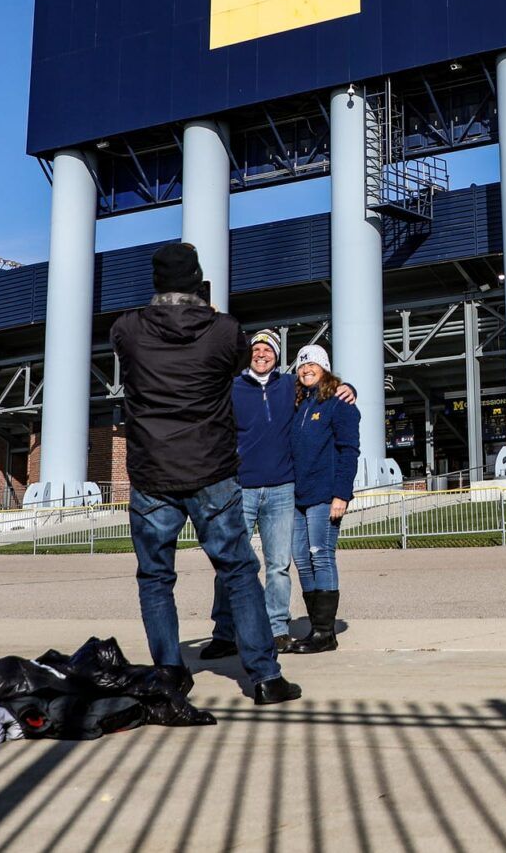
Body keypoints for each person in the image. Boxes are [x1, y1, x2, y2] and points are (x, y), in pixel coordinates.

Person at [111, 241, 301, 706]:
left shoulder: (127, 330)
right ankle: (265, 677)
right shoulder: (223, 331)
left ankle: (170, 674)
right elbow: (232, 360)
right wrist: (208, 312)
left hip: (152, 471)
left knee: (155, 577)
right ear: (197, 282)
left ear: (156, 283)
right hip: (211, 469)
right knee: (238, 570)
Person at [204, 329, 355, 659]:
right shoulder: (236, 389)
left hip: (284, 490)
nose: (261, 354)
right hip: (242, 488)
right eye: (256, 349)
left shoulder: (289, 387)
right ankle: (225, 633)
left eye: (268, 349)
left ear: (276, 355)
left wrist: (348, 388)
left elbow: (338, 420)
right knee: (231, 561)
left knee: (280, 564)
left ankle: (279, 631)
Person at [285, 344, 359, 654]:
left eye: (312, 365)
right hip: (297, 497)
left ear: (325, 368)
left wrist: (341, 494)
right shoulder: (299, 405)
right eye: (301, 366)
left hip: (324, 495)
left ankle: (325, 633)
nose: (305, 370)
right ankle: (316, 628)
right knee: (302, 560)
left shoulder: (339, 404)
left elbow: (349, 451)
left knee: (321, 554)